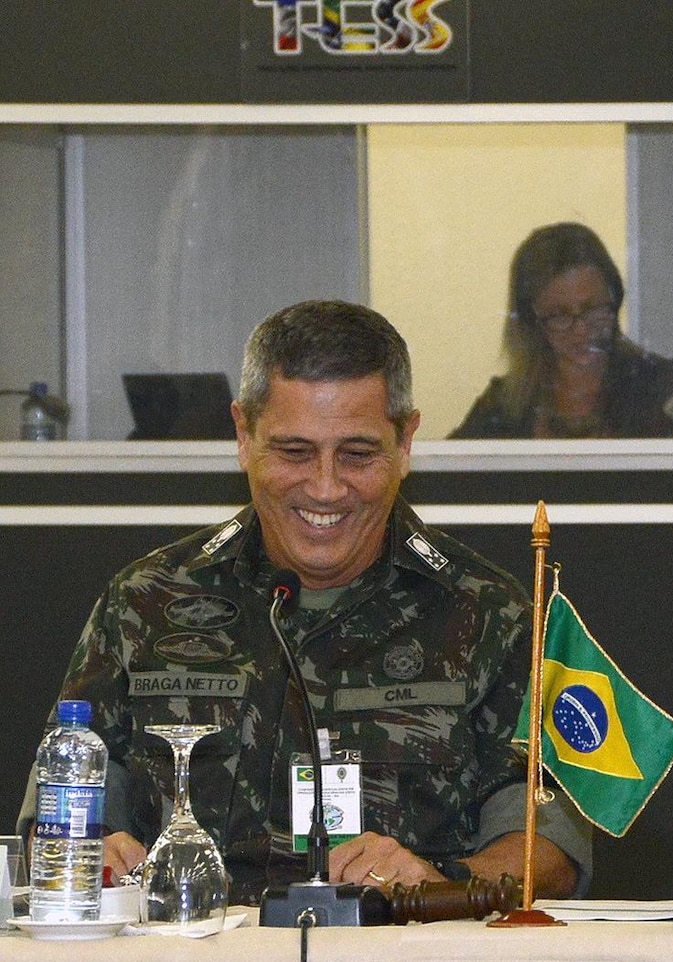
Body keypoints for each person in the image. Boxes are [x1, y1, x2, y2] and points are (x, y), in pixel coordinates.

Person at [20, 300, 590, 904]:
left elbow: (551, 849)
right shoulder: (145, 603)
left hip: (399, 960)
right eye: (294, 452)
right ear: (243, 436)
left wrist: (439, 882)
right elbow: (56, 815)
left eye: (358, 454)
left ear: (406, 441)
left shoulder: (491, 615)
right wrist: (94, 849)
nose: (325, 487)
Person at [450, 222, 673, 438]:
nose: (581, 330)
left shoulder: (661, 388)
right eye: (559, 316)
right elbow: (448, 486)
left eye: (594, 309)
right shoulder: (503, 408)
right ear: (531, 323)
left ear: (614, 300)